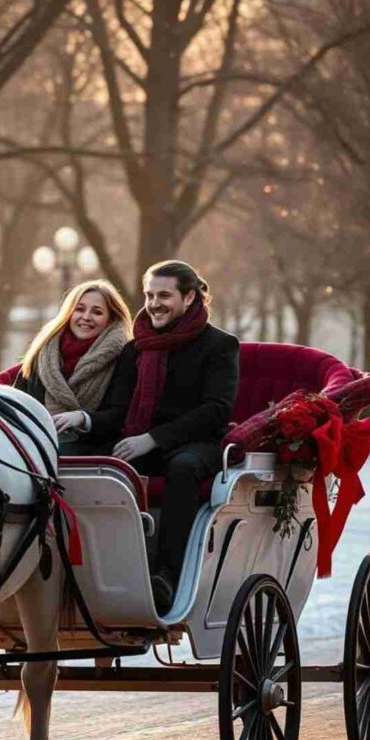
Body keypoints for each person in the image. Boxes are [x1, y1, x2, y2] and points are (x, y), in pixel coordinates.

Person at [112, 260, 239, 615]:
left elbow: (217, 409)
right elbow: (117, 409)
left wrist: (153, 438)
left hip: (199, 443)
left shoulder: (219, 345)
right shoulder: (135, 348)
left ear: (188, 297)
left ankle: (166, 575)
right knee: (97, 467)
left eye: (164, 295)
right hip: (139, 439)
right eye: (150, 295)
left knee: (182, 469)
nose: (154, 303)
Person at [0, 280, 132, 455]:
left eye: (97, 312)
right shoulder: (43, 353)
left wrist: (82, 418)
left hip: (93, 451)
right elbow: (19, 398)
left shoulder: (124, 356)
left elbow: (120, 416)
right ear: (69, 312)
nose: (86, 317)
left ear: (111, 319)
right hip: (35, 441)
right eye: (79, 309)